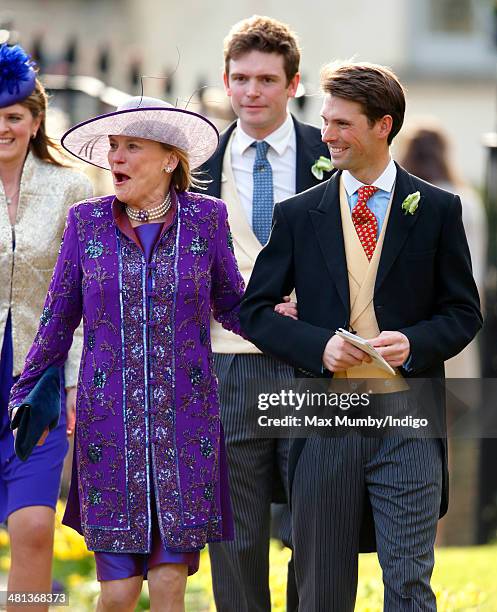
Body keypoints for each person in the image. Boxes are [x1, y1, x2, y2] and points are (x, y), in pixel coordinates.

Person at [9, 95, 293, 612]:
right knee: (117, 594)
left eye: (131, 147)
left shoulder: (207, 220)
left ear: (169, 158)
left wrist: (284, 324)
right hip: (108, 427)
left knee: (169, 583)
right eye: (113, 147)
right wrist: (26, 391)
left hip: (186, 423)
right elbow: (56, 319)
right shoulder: (85, 223)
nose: (116, 158)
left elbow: (232, 304)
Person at [240, 62, 482, 611]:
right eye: (325, 122)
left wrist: (416, 343)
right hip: (325, 423)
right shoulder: (299, 214)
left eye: (342, 124)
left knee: (409, 585)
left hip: (408, 421)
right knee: (322, 590)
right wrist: (317, 345)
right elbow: (255, 313)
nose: (326, 135)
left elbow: (463, 312)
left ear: (383, 125)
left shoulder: (439, 209)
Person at [198, 16, 330, 612]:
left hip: (313, 364)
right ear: (227, 83)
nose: (252, 91)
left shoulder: (331, 156)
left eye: (267, 79)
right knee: (236, 535)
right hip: (226, 366)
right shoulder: (195, 164)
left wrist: (318, 302)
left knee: (316, 527)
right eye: (241, 78)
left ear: (293, 83)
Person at [0, 43, 91, 610]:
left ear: (35, 121)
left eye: (12, 116)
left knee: (34, 524)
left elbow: (85, 297)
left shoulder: (72, 190)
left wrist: (78, 379)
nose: (2, 127)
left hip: (38, 382)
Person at [398, 121, 487, 377]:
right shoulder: (465, 200)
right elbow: (475, 264)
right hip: (451, 314)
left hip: (407, 315)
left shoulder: (399, 198)